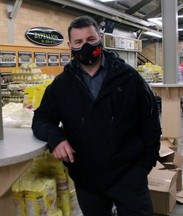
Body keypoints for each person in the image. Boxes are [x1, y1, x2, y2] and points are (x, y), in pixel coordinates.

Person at [32, 15, 162, 216]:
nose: (85, 46)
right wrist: (56, 139)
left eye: (90, 40)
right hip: (87, 178)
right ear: (70, 45)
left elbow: (150, 120)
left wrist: (144, 165)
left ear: (100, 38)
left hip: (128, 174)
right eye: (78, 42)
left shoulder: (128, 78)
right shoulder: (61, 86)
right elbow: (41, 119)